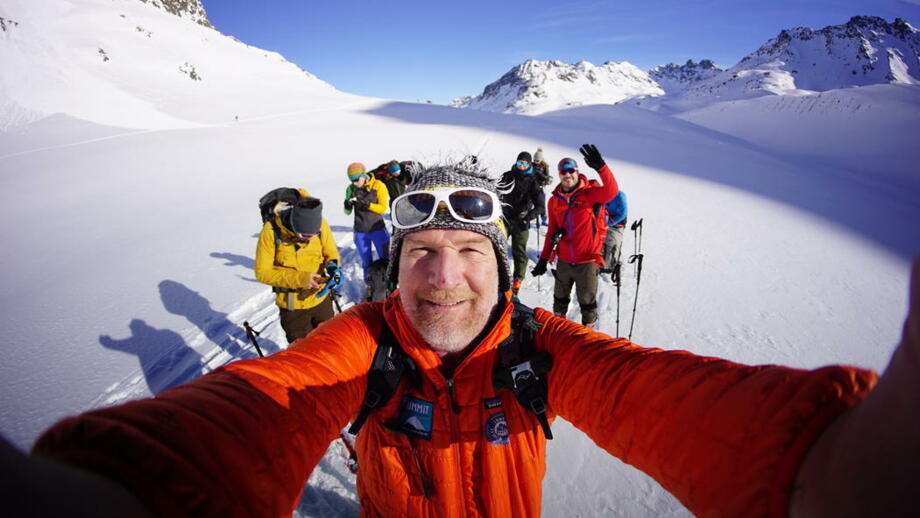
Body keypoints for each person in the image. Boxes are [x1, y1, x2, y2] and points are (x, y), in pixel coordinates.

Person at [18, 154, 920, 518]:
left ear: (506, 271)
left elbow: (650, 392)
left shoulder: (542, 349)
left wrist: (818, 465)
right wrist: (125, 484)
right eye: (420, 253)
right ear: (391, 269)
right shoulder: (360, 344)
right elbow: (267, 400)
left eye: (467, 252)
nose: (443, 276)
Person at [532, 145, 617, 327]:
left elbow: (611, 191)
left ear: (577, 173)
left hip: (586, 261)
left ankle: (587, 334)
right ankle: (559, 331)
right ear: (559, 174)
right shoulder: (554, 201)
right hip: (563, 261)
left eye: (571, 170)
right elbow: (552, 232)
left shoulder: (590, 195)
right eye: (563, 171)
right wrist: (543, 259)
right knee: (559, 300)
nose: (567, 174)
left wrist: (601, 167)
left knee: (587, 303)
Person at [254, 192, 340, 344]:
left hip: (321, 298)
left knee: (330, 340)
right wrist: (300, 279)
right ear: (294, 225)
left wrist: (334, 266)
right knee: (303, 350)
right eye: (305, 236)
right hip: (293, 305)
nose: (311, 238)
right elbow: (262, 272)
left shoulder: (320, 223)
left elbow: (330, 251)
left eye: (314, 234)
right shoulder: (270, 231)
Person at [499, 151, 546, 299]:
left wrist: (528, 218)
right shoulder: (508, 175)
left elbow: (540, 206)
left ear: (529, 164)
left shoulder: (533, 181)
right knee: (497, 247)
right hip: (505, 218)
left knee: (519, 251)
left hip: (521, 220)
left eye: (524, 163)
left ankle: (517, 282)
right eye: (519, 163)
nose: (521, 166)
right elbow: (496, 191)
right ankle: (498, 278)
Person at [344, 162, 390, 287]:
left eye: (356, 179)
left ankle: (389, 284)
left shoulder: (378, 185)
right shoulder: (351, 189)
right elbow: (347, 212)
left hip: (377, 229)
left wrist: (367, 205)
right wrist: (347, 205)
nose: (354, 183)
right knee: (366, 262)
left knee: (386, 259)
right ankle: (369, 286)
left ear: (364, 175)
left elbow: (383, 209)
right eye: (351, 180)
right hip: (360, 231)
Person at [599, 190, 628, 282]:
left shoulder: (620, 196)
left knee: (612, 243)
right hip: (604, 222)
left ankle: (610, 264)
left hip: (617, 224)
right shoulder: (602, 194)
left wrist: (610, 223)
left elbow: (623, 214)